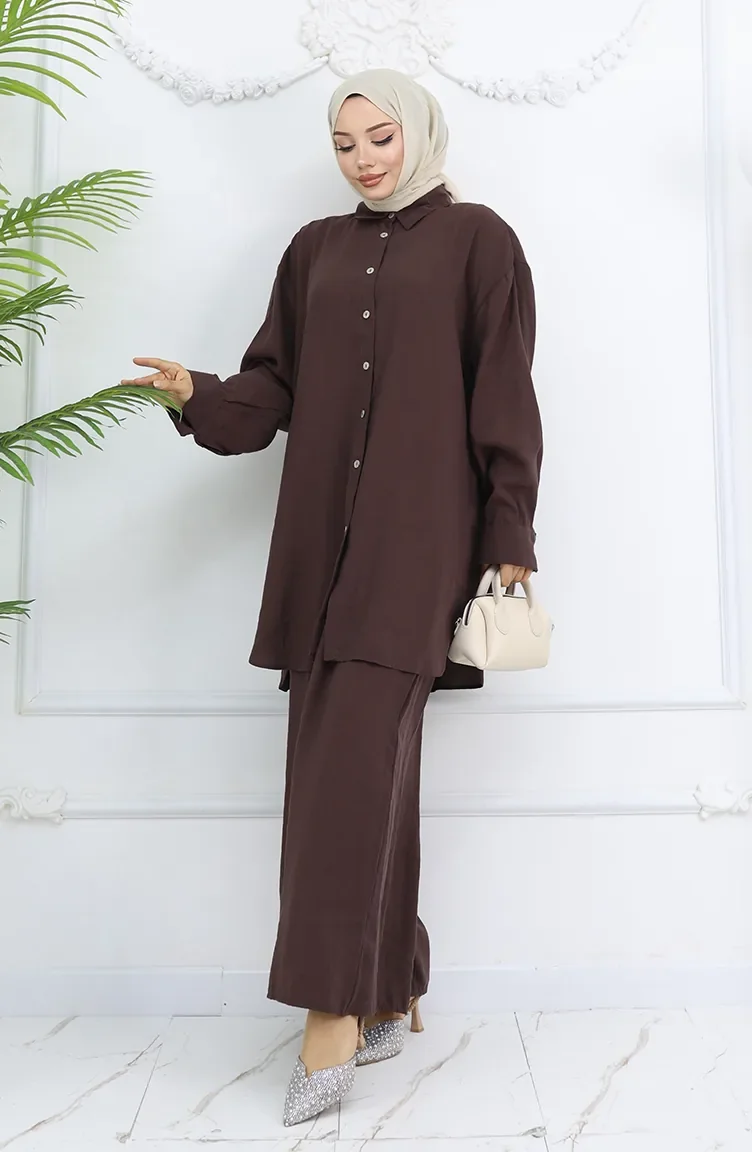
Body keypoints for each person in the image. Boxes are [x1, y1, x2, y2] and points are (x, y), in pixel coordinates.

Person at [122, 68, 543, 1126]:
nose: (363, 159)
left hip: (417, 546)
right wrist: (196, 394)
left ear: (421, 132)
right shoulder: (313, 250)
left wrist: (509, 533)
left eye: (380, 136)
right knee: (356, 772)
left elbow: (502, 389)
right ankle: (391, 983)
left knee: (340, 781)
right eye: (345, 143)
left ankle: (329, 1015)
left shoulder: (479, 241)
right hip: (318, 554)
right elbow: (273, 390)